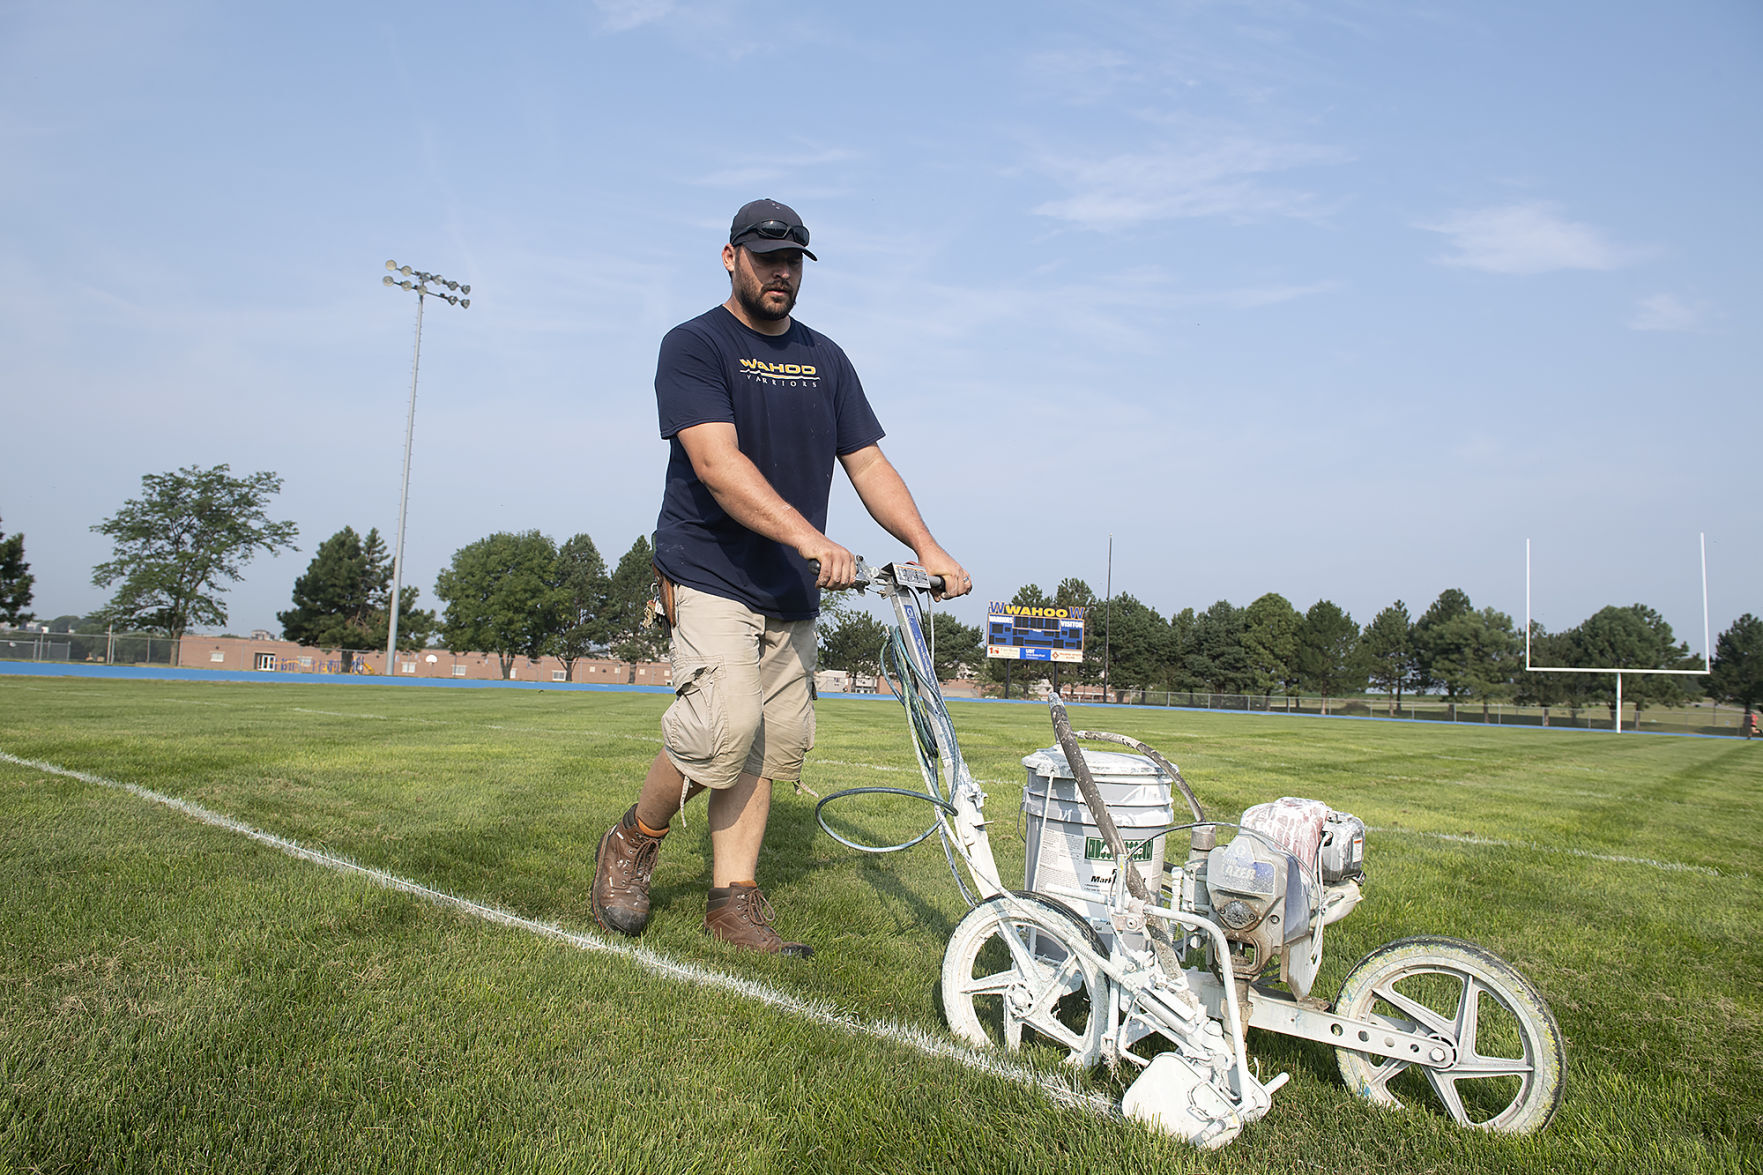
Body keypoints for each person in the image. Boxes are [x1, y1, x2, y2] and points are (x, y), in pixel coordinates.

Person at [591, 198, 971, 957]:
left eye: (793, 260)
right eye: (766, 258)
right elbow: (716, 464)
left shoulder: (826, 359)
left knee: (770, 745)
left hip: (789, 591)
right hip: (709, 570)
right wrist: (810, 537)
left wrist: (927, 546)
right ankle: (633, 839)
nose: (781, 272)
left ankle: (731, 901)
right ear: (730, 257)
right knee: (721, 726)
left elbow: (866, 462)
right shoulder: (695, 345)